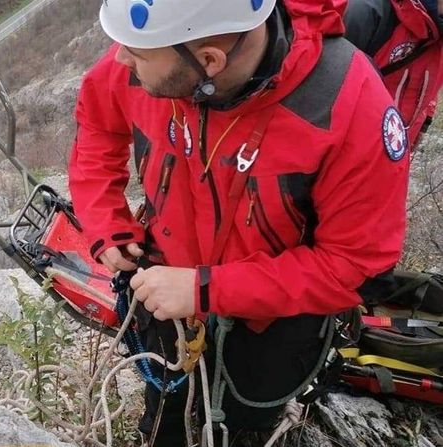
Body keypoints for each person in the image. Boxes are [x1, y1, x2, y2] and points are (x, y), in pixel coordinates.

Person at [68, 0, 409, 445]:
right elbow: (98, 120)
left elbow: (355, 265)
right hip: (165, 296)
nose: (119, 59)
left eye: (136, 54)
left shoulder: (345, 102)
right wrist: (104, 219)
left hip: (273, 326)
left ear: (210, 60)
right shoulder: (161, 54)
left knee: (243, 422)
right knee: (166, 413)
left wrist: (204, 289)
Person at [345, 0, 443, 146]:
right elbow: (328, 90)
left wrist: (424, 122)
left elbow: (431, 78)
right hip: (352, 150)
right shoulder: (368, 11)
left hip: (395, 150)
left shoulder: (438, 29)